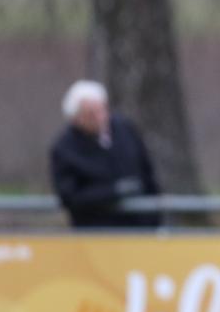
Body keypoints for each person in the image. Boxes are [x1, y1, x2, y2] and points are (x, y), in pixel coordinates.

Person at [49, 80, 161, 228]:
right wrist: (112, 192)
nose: (100, 118)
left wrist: (154, 216)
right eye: (91, 114)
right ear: (76, 118)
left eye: (101, 110)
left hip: (139, 228)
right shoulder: (65, 148)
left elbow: (147, 173)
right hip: (96, 232)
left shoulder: (125, 129)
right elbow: (69, 197)